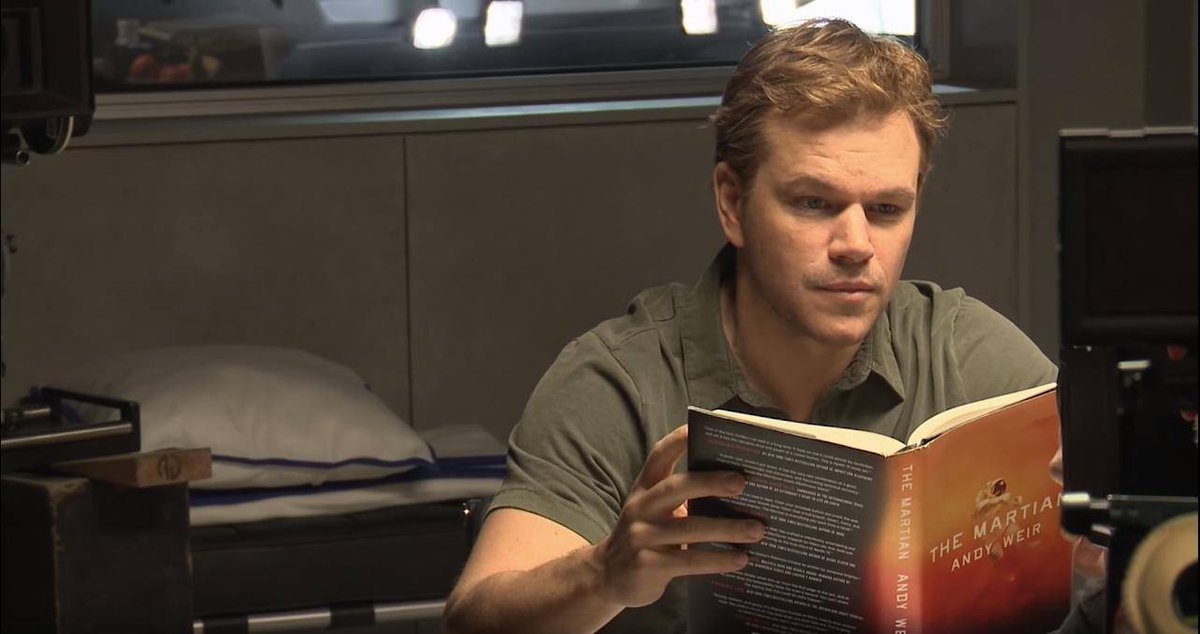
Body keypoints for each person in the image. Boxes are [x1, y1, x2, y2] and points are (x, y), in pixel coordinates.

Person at [443, 18, 1057, 634]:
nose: (855, 244)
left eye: (886, 209)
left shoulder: (968, 356)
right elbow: (474, 621)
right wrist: (603, 574)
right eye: (813, 203)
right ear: (733, 204)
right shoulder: (620, 381)